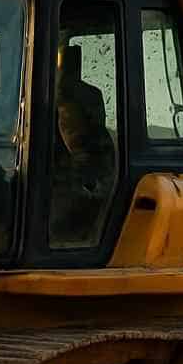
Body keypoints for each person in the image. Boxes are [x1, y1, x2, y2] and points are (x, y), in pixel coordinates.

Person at [50, 43, 117, 247]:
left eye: (71, 115)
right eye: (61, 116)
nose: (66, 123)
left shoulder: (106, 166)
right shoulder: (49, 157)